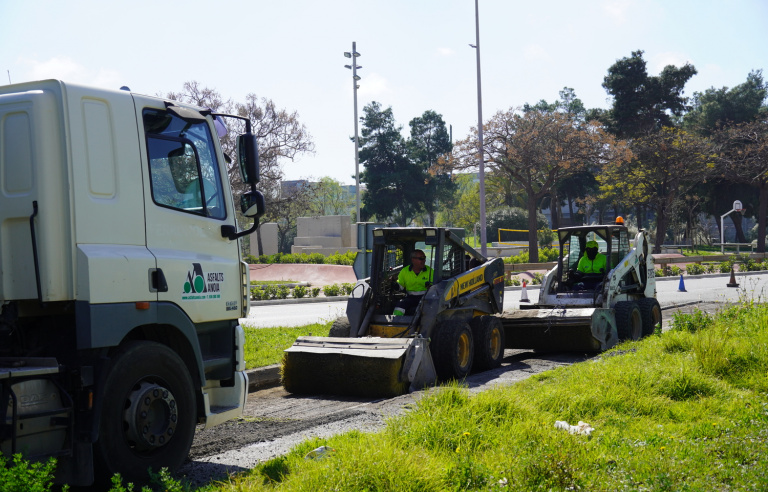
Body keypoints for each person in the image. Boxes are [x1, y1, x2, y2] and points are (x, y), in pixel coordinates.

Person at [392, 249, 433, 316]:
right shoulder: (404, 271)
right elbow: (400, 287)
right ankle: (395, 324)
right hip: (410, 298)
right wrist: (393, 283)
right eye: (421, 258)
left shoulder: (430, 271)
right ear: (413, 260)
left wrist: (431, 287)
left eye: (424, 258)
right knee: (399, 306)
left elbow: (435, 287)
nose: (424, 260)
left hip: (425, 299)